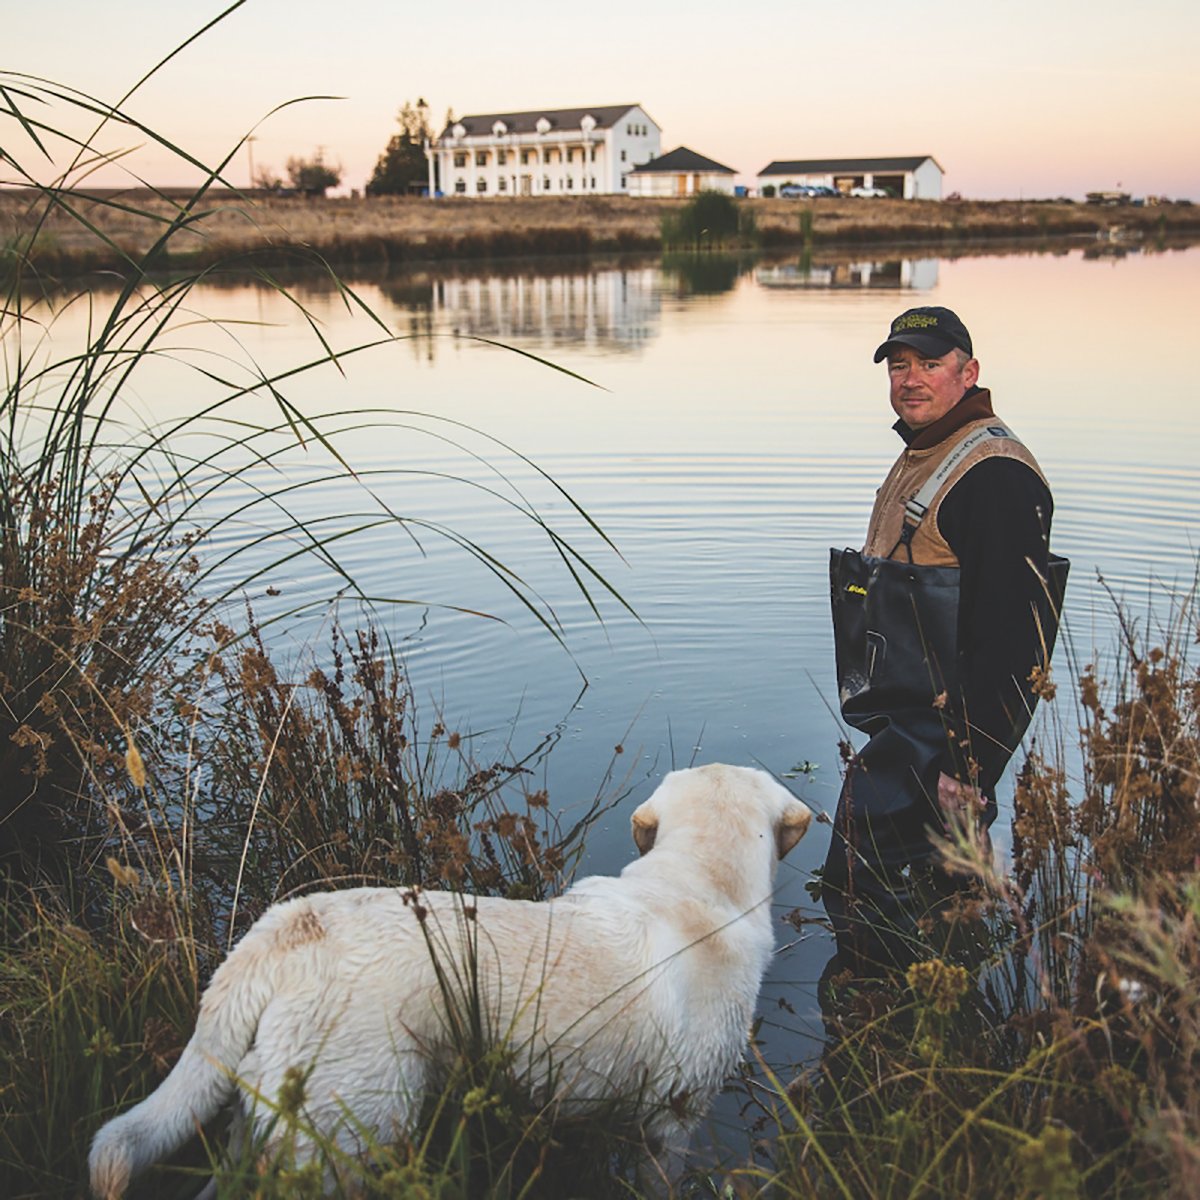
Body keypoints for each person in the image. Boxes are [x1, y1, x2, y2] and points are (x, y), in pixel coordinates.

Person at [822, 305, 1067, 974]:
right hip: (902, 737)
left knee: (880, 906)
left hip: (940, 748)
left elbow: (1013, 642)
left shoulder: (994, 475)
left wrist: (970, 769)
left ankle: (892, 1044)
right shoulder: (925, 452)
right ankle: (916, 1035)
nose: (910, 379)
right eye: (899, 365)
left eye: (930, 363)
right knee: (891, 901)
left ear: (970, 372)